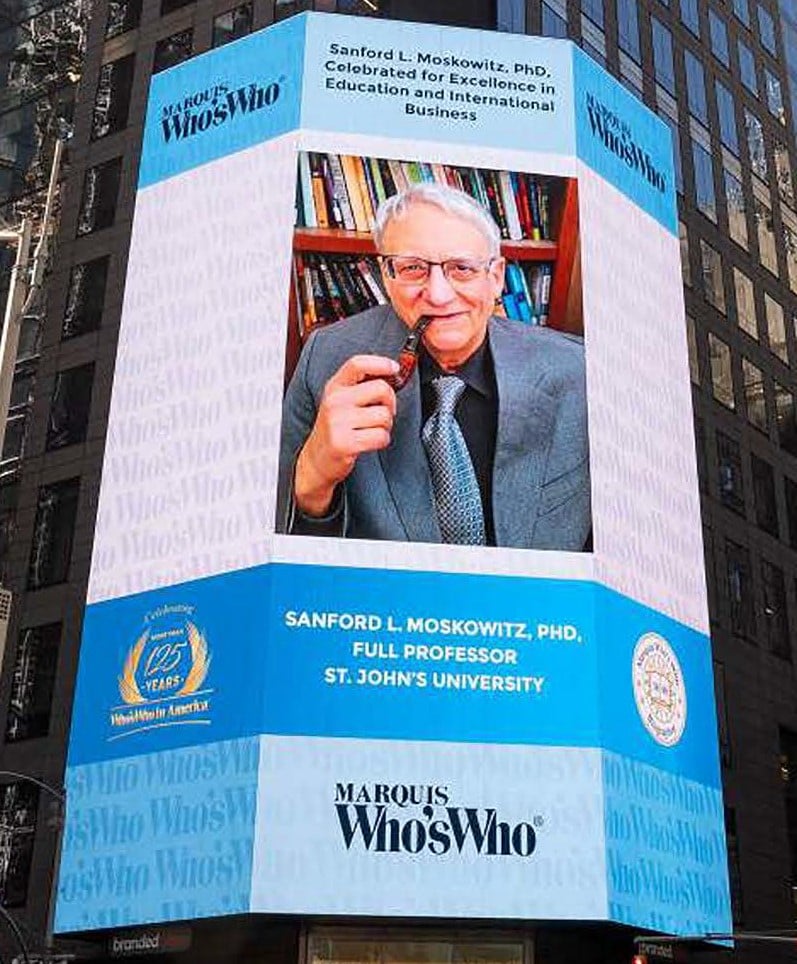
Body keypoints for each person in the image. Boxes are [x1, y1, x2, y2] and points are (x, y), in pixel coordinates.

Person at [277, 181, 590, 550]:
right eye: (412, 268)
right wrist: (313, 476)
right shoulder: (323, 360)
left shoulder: (579, 372)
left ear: (496, 277)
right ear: (386, 277)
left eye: (462, 268)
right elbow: (281, 551)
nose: (438, 296)